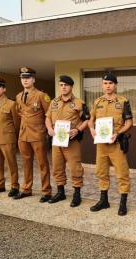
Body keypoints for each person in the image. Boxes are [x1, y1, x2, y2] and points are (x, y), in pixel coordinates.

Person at [88, 73, 133, 216]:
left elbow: (129, 122)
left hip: (116, 143)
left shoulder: (123, 101)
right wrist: (92, 129)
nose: (108, 86)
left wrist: (118, 133)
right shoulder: (97, 102)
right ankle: (103, 201)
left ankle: (123, 203)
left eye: (110, 83)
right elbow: (91, 119)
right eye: (105, 83)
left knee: (122, 173)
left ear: (115, 85)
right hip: (101, 144)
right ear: (102, 85)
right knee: (101, 172)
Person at [45, 75, 90, 206]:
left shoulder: (79, 103)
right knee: (57, 167)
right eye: (61, 85)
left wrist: (78, 130)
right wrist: (49, 128)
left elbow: (87, 119)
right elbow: (47, 117)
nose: (63, 87)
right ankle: (60, 192)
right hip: (56, 141)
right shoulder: (54, 102)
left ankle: (77, 195)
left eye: (66, 85)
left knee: (75, 168)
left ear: (71, 87)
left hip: (71, 141)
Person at [14, 67, 52, 202]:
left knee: (42, 163)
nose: (25, 80)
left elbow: (49, 113)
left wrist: (47, 129)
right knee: (26, 162)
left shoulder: (41, 95)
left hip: (37, 134)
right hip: (23, 134)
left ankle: (46, 191)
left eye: (28, 78)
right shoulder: (18, 96)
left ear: (33, 79)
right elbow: (20, 113)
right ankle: (26, 189)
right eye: (23, 78)